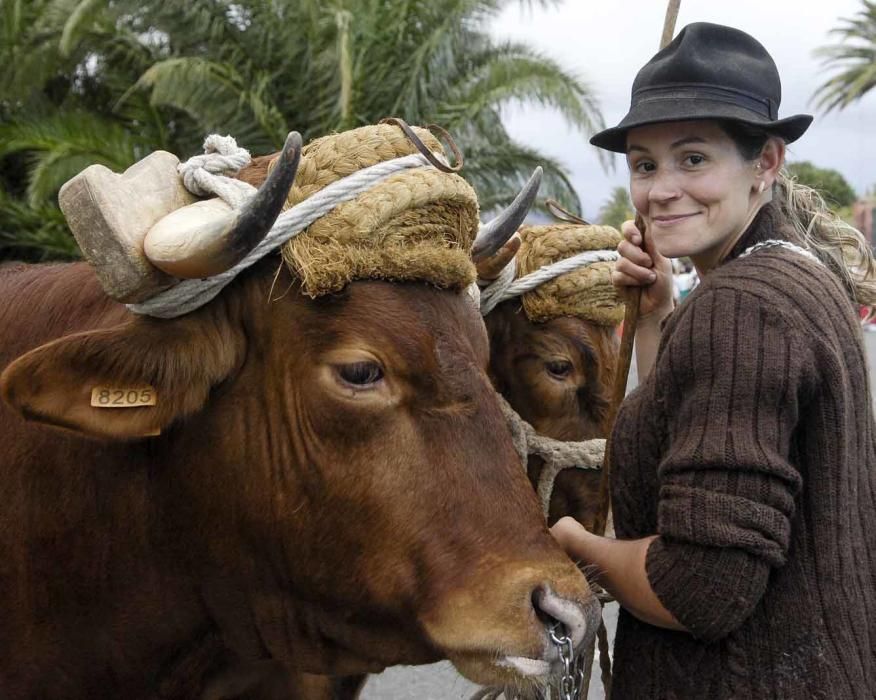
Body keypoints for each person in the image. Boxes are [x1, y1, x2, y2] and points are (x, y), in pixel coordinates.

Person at [550, 22, 876, 698]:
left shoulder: (741, 308)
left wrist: (573, 544)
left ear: (766, 163)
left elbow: (696, 592)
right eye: (644, 164)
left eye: (692, 159)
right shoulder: (796, 274)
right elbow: (685, 413)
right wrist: (657, 312)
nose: (661, 189)